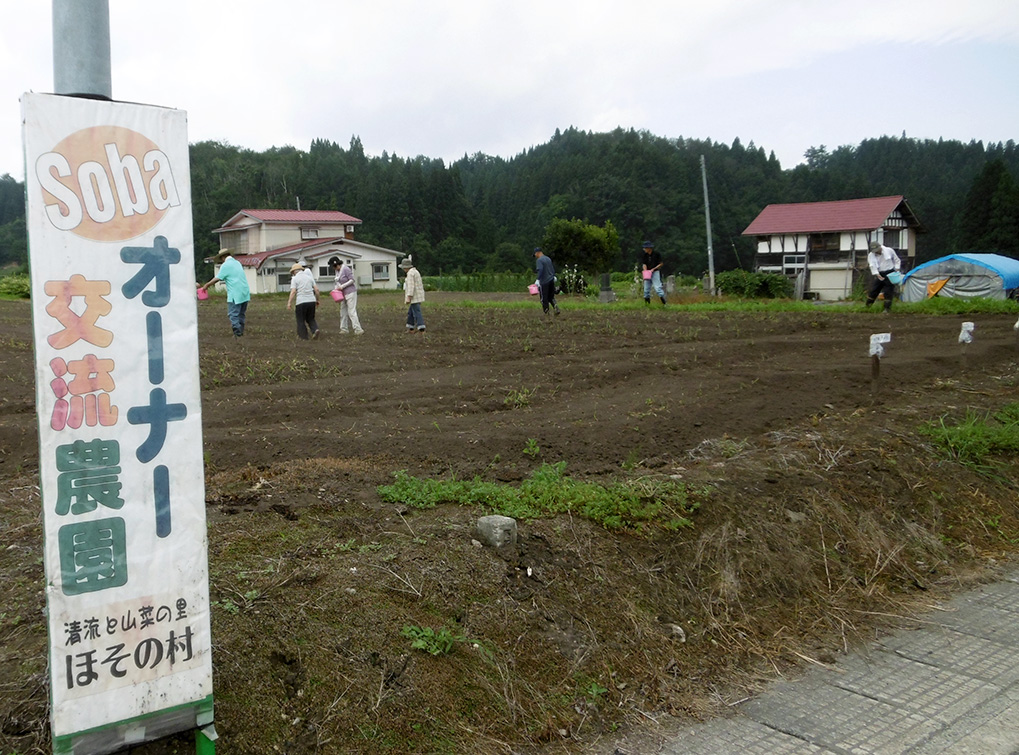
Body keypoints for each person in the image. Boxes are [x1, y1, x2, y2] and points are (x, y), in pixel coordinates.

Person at [200, 248, 251, 338]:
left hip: (235, 293)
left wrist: (207, 285)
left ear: (223, 257)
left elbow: (217, 278)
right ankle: (241, 330)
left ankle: (237, 332)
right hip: (245, 291)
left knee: (233, 313)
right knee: (241, 313)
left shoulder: (226, 265)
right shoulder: (237, 263)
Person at [286, 262, 321, 339]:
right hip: (311, 301)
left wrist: (289, 303)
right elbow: (317, 290)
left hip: (301, 302)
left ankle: (303, 336)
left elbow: (293, 292)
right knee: (311, 318)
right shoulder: (309, 277)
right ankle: (315, 329)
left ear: (295, 271)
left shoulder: (295, 279)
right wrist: (317, 300)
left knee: (300, 319)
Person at [865, 241, 902, 312]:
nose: (876, 252)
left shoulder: (889, 250)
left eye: (877, 250)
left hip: (890, 273)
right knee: (874, 290)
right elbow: (872, 265)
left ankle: (887, 308)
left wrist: (897, 269)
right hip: (879, 273)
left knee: (888, 291)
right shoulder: (871, 255)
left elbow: (897, 260)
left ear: (880, 247)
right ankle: (867, 306)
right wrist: (877, 274)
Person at [333, 260, 363, 335]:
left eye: (335, 266)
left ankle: (358, 329)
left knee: (351, 311)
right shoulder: (337, 272)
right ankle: (344, 328)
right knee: (342, 311)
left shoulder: (346, 269)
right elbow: (337, 282)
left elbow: (352, 280)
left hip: (350, 292)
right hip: (342, 294)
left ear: (338, 265)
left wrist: (342, 286)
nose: (334, 268)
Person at [401, 256, 426, 332]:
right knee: (411, 312)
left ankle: (421, 327)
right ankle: (410, 326)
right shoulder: (415, 271)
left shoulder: (410, 274)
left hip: (414, 296)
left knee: (416, 312)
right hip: (418, 295)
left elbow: (411, 286)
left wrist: (409, 297)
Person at [533, 247, 560, 316]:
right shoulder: (548, 259)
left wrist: (538, 279)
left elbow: (540, 270)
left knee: (543, 298)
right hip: (551, 280)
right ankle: (556, 307)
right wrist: (553, 275)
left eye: (535, 254)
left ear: (537, 253)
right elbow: (552, 268)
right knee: (551, 297)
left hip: (544, 282)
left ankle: (547, 312)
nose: (535, 256)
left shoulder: (539, 260)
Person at [641, 240, 666, 305]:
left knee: (658, 288)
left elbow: (661, 263)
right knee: (646, 289)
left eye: (645, 248)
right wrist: (645, 270)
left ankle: (664, 303)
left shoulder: (657, 254)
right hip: (648, 273)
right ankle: (647, 304)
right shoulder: (645, 255)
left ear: (649, 248)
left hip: (655, 272)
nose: (644, 249)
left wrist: (653, 269)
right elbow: (644, 264)